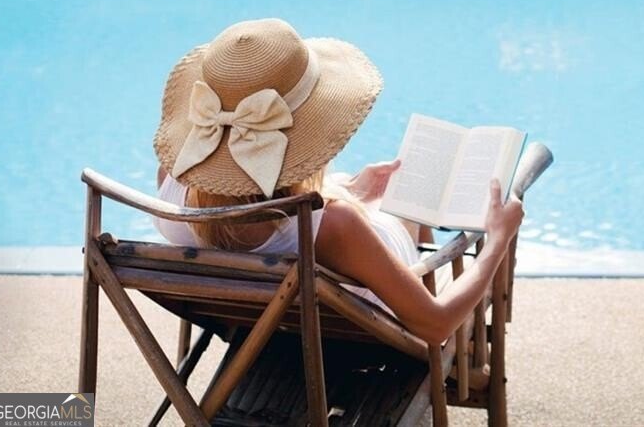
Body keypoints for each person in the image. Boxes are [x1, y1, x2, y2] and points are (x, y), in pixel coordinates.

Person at [151, 18, 524, 345]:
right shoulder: (335, 227)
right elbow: (435, 324)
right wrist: (497, 240)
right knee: (410, 202)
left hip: (266, 329)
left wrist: (352, 190)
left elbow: (260, 207)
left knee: (384, 193)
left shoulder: (172, 183)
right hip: (362, 336)